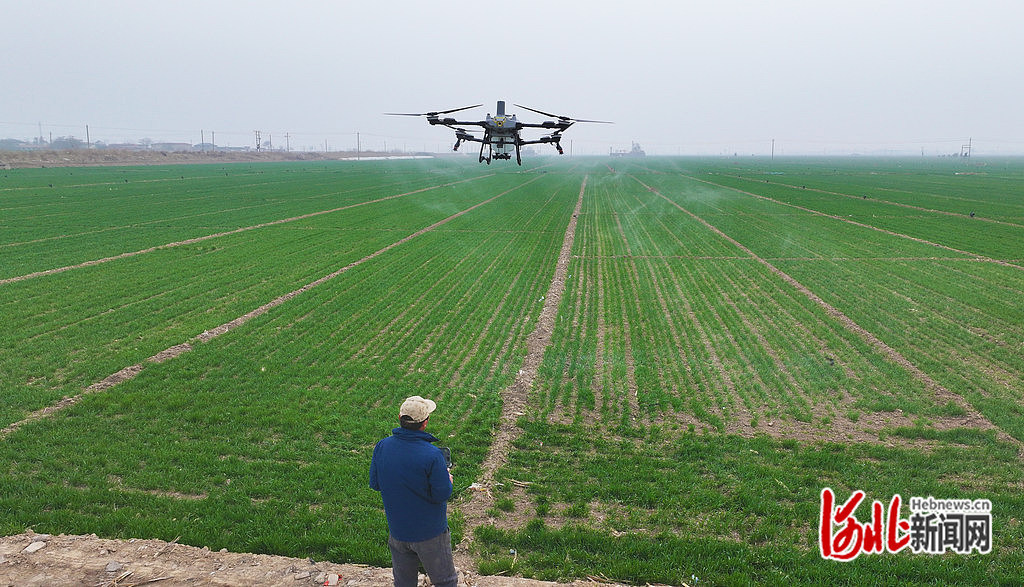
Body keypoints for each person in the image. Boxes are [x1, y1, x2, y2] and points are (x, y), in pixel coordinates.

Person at [369, 396, 457, 587]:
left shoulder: (382, 446)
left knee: (404, 582)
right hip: (430, 533)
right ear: (425, 423)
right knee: (445, 581)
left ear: (399, 417)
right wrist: (447, 480)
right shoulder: (432, 455)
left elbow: (375, 484)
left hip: (398, 531)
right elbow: (442, 494)